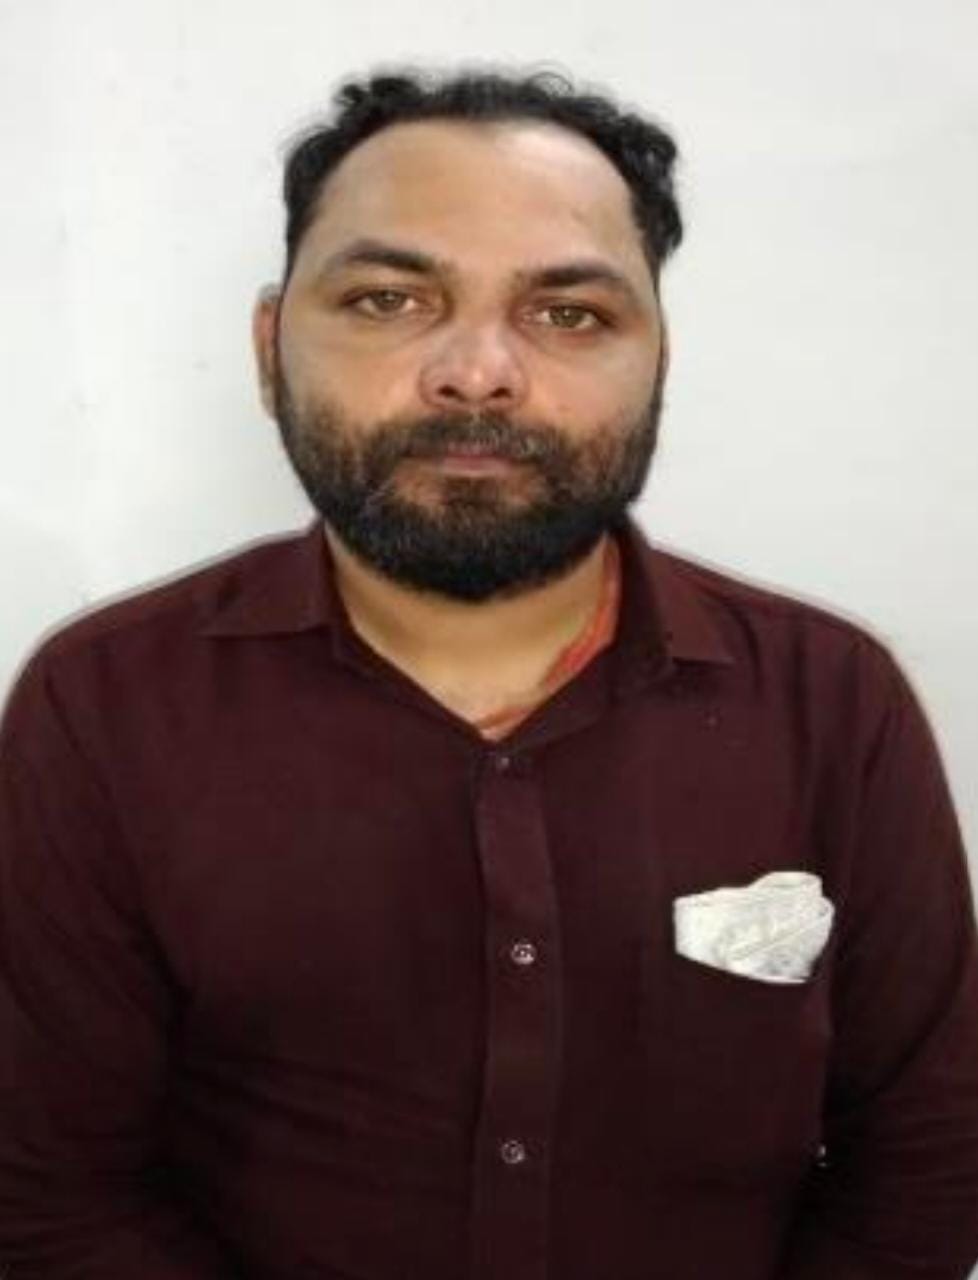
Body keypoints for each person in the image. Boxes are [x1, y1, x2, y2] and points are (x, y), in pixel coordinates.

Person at [0, 65, 976, 1280]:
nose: (477, 371)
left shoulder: (834, 701)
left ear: (659, 359)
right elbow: (51, 1192)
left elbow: (927, 1167)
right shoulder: (102, 706)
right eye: (388, 298)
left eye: (568, 313)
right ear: (268, 349)